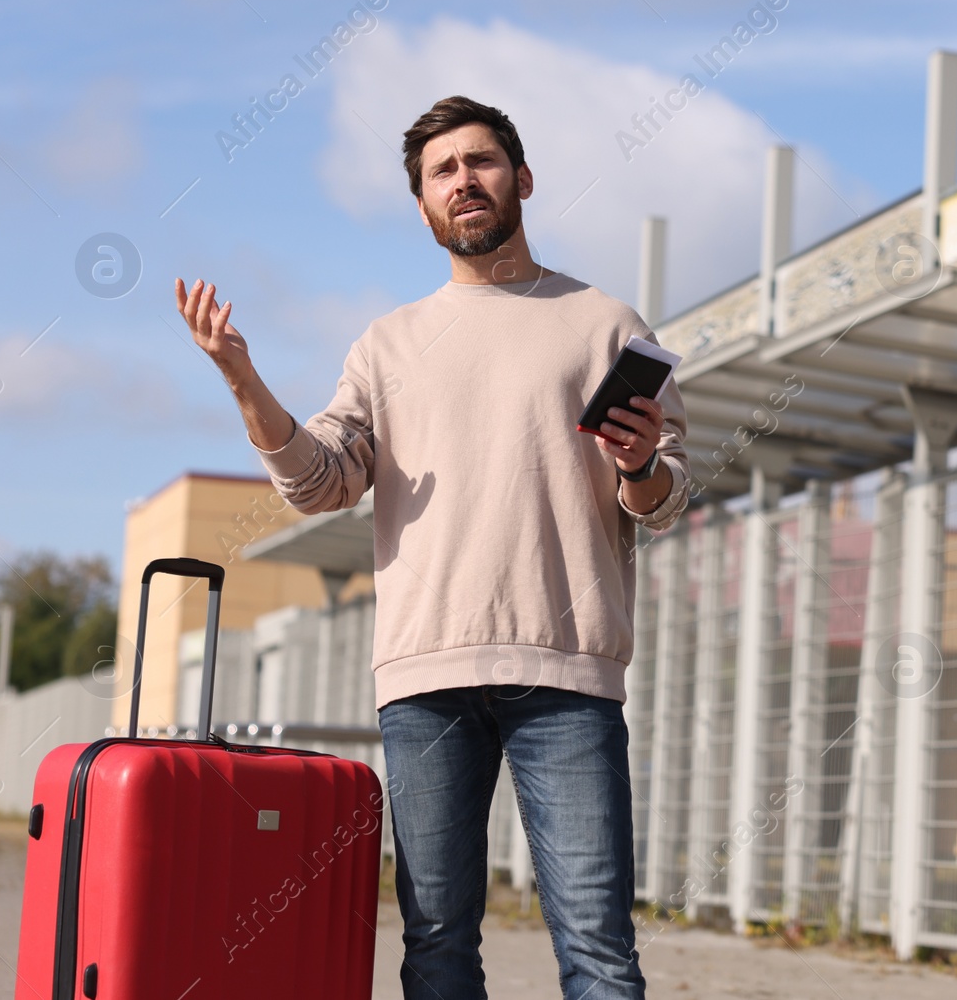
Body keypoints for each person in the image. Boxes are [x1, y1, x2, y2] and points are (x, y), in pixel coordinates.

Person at [175, 94, 689, 999]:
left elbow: (663, 500)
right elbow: (319, 478)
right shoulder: (387, 344)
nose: (464, 181)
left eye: (481, 162)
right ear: (422, 206)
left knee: (600, 953)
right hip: (424, 680)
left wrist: (641, 461)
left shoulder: (607, 321)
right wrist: (244, 379)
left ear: (521, 179)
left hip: (567, 677)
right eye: (441, 171)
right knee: (438, 945)